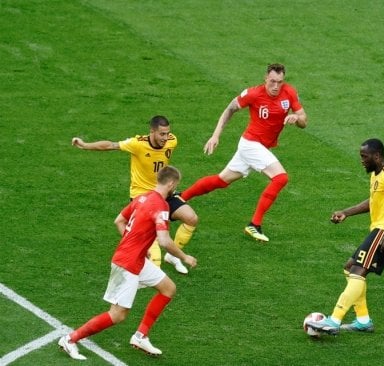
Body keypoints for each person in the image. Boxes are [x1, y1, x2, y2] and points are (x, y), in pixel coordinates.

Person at [58, 166, 197, 360]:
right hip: (128, 264)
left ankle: (140, 336)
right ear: (172, 184)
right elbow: (164, 240)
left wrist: (137, 244)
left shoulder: (142, 197)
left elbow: (119, 221)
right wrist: (184, 257)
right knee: (118, 315)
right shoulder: (162, 206)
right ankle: (70, 339)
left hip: (136, 258)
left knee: (168, 288)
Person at [180, 63, 307, 242]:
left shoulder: (289, 92)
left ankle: (180, 197)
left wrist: (296, 118)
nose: (276, 86)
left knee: (221, 180)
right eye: (272, 81)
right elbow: (230, 109)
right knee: (281, 178)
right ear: (265, 79)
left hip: (259, 147)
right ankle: (254, 225)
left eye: (279, 82)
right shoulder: (254, 94)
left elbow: (304, 120)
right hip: (251, 144)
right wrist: (215, 135)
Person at [306, 138, 384, 335]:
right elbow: (373, 201)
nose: (362, 160)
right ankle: (363, 320)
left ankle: (334, 320)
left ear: (377, 156)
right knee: (350, 267)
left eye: (364, 157)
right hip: (383, 231)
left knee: (357, 271)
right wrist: (346, 212)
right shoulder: (376, 174)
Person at [72, 115, 198, 274]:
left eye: (167, 133)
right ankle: (146, 270)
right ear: (152, 131)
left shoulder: (172, 141)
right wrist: (85, 145)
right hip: (143, 197)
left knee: (191, 218)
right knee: (154, 259)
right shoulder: (137, 144)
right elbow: (110, 145)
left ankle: (173, 256)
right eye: (162, 134)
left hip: (163, 193)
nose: (165, 138)